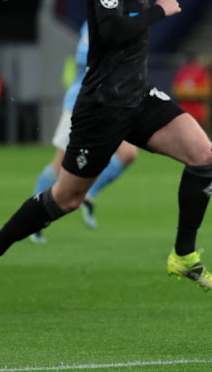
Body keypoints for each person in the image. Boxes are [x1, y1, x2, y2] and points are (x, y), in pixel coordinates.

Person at [0, 0, 212, 296]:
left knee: (203, 156)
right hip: (102, 105)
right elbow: (115, 30)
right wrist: (158, 11)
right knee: (67, 199)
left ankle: (183, 257)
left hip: (136, 96)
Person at [29, 22, 139, 244]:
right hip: (81, 104)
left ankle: (89, 194)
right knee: (59, 165)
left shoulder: (125, 14)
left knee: (128, 153)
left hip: (107, 104)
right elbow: (85, 59)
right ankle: (33, 219)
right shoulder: (95, 20)